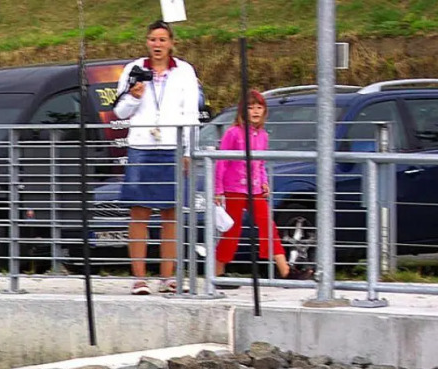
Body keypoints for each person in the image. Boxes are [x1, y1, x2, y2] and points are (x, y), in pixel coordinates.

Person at [113, 20, 203, 295]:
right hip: (142, 146)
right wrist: (133, 96)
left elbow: (191, 113)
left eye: (163, 40)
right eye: (153, 39)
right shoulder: (134, 69)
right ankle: (139, 278)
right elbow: (119, 112)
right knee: (139, 212)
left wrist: (188, 150)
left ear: (171, 43)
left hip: (172, 146)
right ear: (147, 42)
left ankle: (168, 277)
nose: (157, 45)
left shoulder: (185, 71)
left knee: (171, 213)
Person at [213, 90, 309, 283]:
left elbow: (261, 163)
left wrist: (264, 181)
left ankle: (285, 270)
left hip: (255, 189)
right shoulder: (233, 133)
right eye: (250, 108)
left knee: (268, 226)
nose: (255, 112)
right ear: (243, 111)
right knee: (232, 230)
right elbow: (221, 161)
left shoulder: (263, 135)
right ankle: (217, 272)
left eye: (259, 107)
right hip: (233, 188)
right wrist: (218, 189)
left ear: (264, 111)